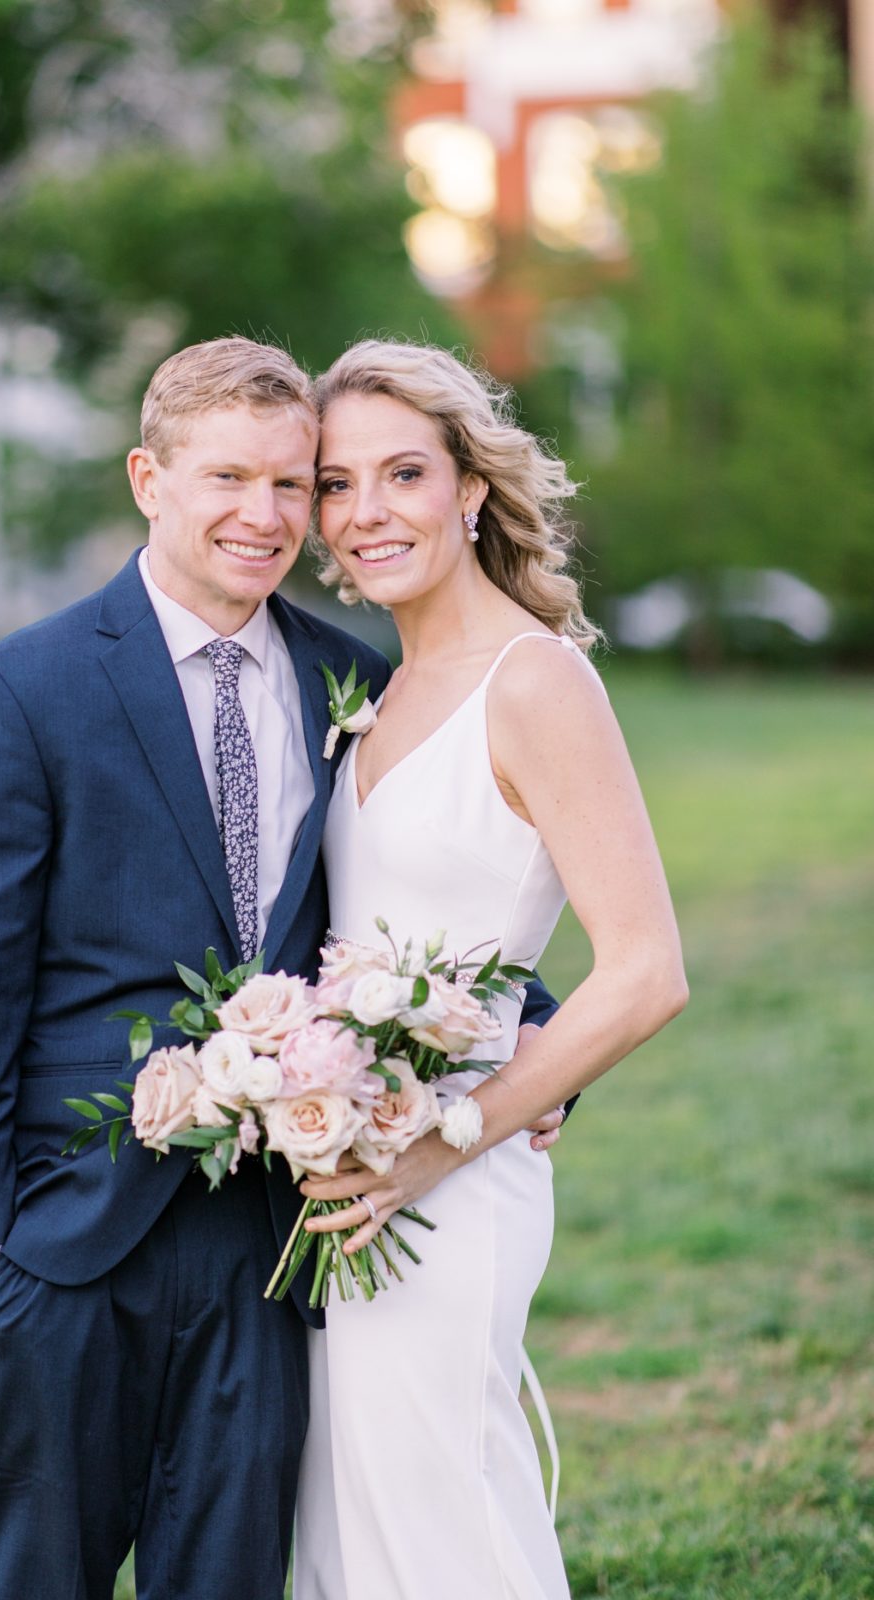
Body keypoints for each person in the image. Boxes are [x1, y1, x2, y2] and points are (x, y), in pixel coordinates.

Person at [0, 336, 566, 1600]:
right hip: (61, 1233)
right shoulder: (20, 691)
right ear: (151, 479)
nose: (263, 516)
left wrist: (526, 1039)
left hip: (267, 1241)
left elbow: (407, 901)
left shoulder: (351, 680)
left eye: (291, 482)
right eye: (227, 480)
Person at [292, 339, 688, 1600]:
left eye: (403, 472)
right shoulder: (381, 687)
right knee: (355, 1521)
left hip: (449, 1183)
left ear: (469, 487)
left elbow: (644, 971)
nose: (367, 513)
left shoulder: (536, 683)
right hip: (348, 1170)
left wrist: (441, 1140)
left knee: (441, 1518)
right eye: (339, 484)